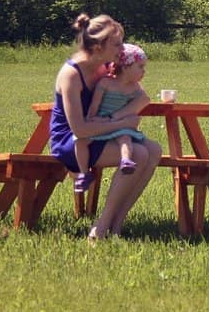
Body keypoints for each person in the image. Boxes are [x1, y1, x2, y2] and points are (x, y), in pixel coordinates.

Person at [49, 13, 162, 241]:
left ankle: (117, 223)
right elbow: (79, 129)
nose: (122, 50)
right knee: (138, 153)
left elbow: (133, 91)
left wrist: (123, 115)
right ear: (99, 46)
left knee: (154, 150)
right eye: (117, 44)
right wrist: (120, 122)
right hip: (72, 140)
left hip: (101, 133)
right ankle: (101, 228)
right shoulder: (71, 74)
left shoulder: (105, 67)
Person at [75, 42, 151, 185]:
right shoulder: (106, 83)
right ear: (126, 67)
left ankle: (126, 161)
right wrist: (91, 118)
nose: (144, 71)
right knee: (80, 142)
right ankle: (83, 173)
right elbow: (95, 104)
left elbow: (145, 99)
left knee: (125, 138)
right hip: (101, 120)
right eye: (140, 67)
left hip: (120, 125)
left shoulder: (135, 88)